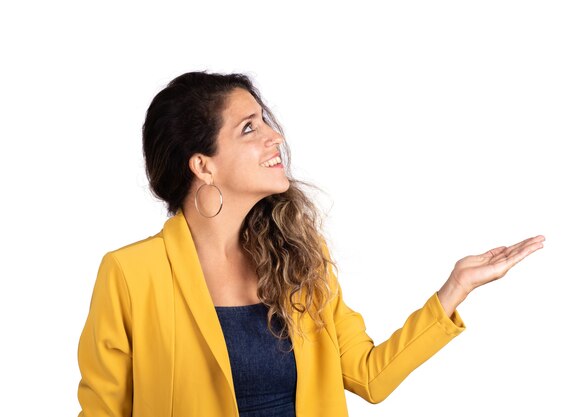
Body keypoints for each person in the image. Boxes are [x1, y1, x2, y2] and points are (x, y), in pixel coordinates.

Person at [76, 71, 545, 417]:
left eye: (265, 121)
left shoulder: (301, 258)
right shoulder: (130, 274)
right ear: (203, 166)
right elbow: (102, 411)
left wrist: (455, 289)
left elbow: (368, 375)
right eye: (249, 128)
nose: (274, 136)